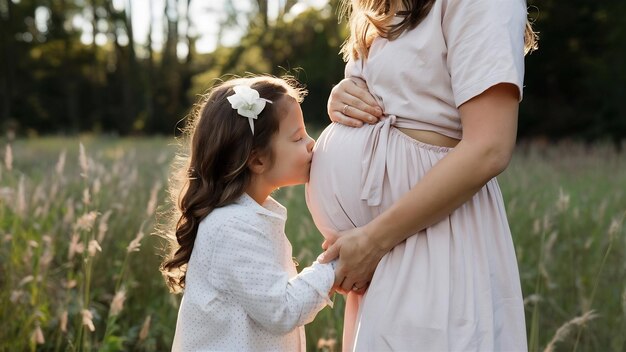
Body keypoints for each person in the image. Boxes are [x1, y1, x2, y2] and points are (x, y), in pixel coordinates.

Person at [306, 0, 538, 350]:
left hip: (432, 242)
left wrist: (372, 241)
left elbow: (489, 147)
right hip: (383, 252)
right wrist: (341, 97)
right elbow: (403, 94)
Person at [160, 76, 338, 351]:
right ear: (257, 159)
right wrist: (335, 267)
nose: (311, 143)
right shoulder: (231, 226)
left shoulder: (246, 217)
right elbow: (282, 310)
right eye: (298, 137)